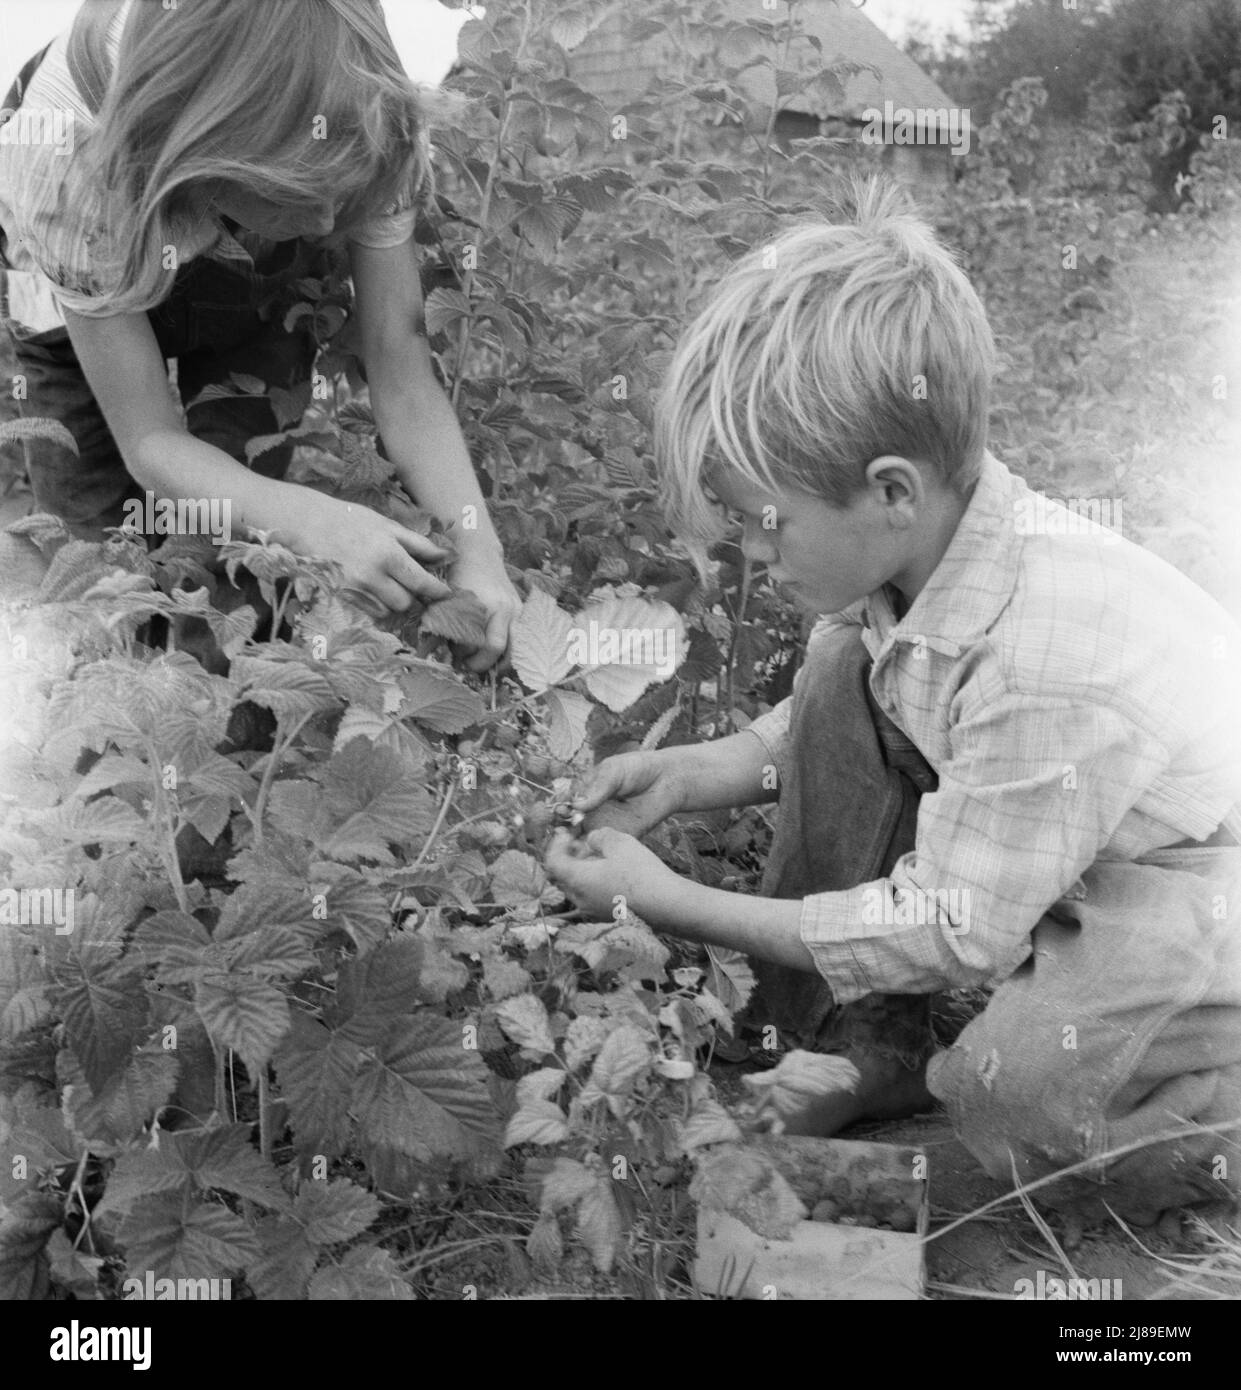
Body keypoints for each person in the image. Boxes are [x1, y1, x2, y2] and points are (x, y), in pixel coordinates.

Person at [546, 179, 1241, 1225]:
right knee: (835, 677)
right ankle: (866, 1046)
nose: (753, 551)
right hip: (1062, 841)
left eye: (767, 524)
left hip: (1190, 883)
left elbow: (949, 929)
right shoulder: (911, 555)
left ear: (888, 491)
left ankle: (1199, 1107)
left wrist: (673, 902)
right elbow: (846, 714)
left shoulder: (1047, 650)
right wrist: (689, 775)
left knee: (1023, 1110)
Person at [0, 0, 518, 669]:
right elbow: (149, 439)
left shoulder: (367, 118)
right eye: (306, 193)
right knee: (99, 575)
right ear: (216, 156)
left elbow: (404, 377)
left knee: (238, 556)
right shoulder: (61, 152)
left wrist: (478, 552)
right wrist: (313, 521)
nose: (333, 220)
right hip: (85, 282)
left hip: (251, 271)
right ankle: (107, 735)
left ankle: (230, 724)